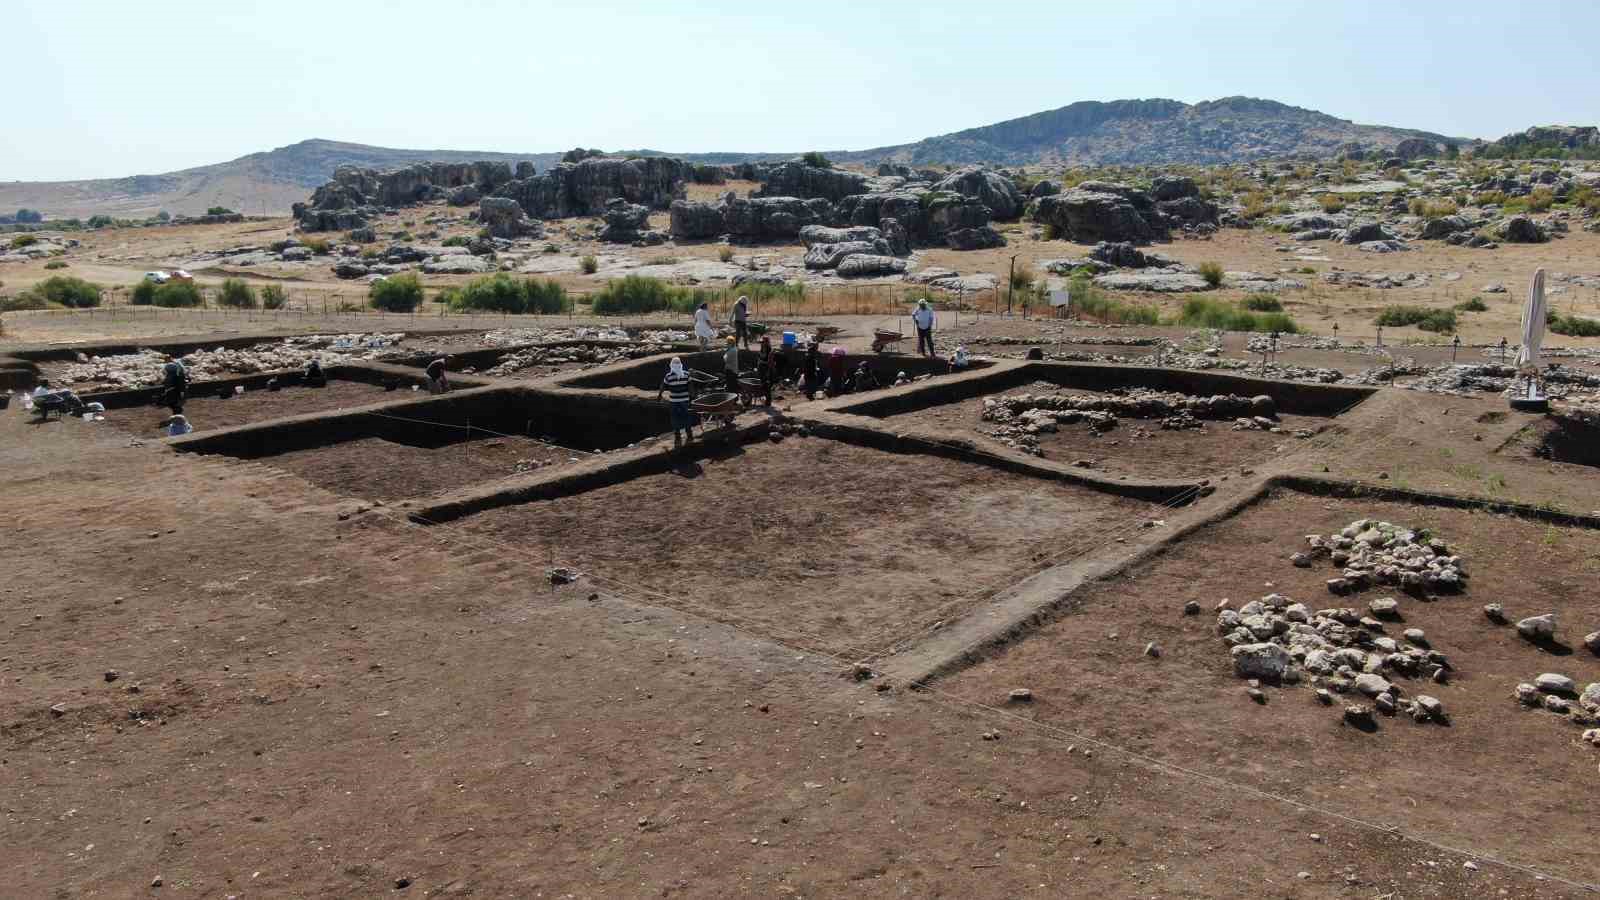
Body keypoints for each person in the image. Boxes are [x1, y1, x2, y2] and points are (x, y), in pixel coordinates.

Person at [656, 357, 696, 449]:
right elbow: (691, 388)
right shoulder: (686, 374)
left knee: (675, 418)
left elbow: (663, 386)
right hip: (685, 400)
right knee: (686, 416)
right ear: (680, 365)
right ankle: (689, 435)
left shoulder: (668, 376)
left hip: (674, 401)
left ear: (671, 366)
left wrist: (659, 395)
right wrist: (693, 398)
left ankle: (677, 436)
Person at [757, 335, 778, 405]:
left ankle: (768, 400)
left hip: (766, 369)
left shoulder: (768, 349)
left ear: (766, 342)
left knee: (766, 384)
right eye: (761, 342)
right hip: (762, 368)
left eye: (763, 342)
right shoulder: (763, 348)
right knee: (764, 384)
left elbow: (767, 361)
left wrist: (761, 361)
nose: (761, 344)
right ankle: (766, 399)